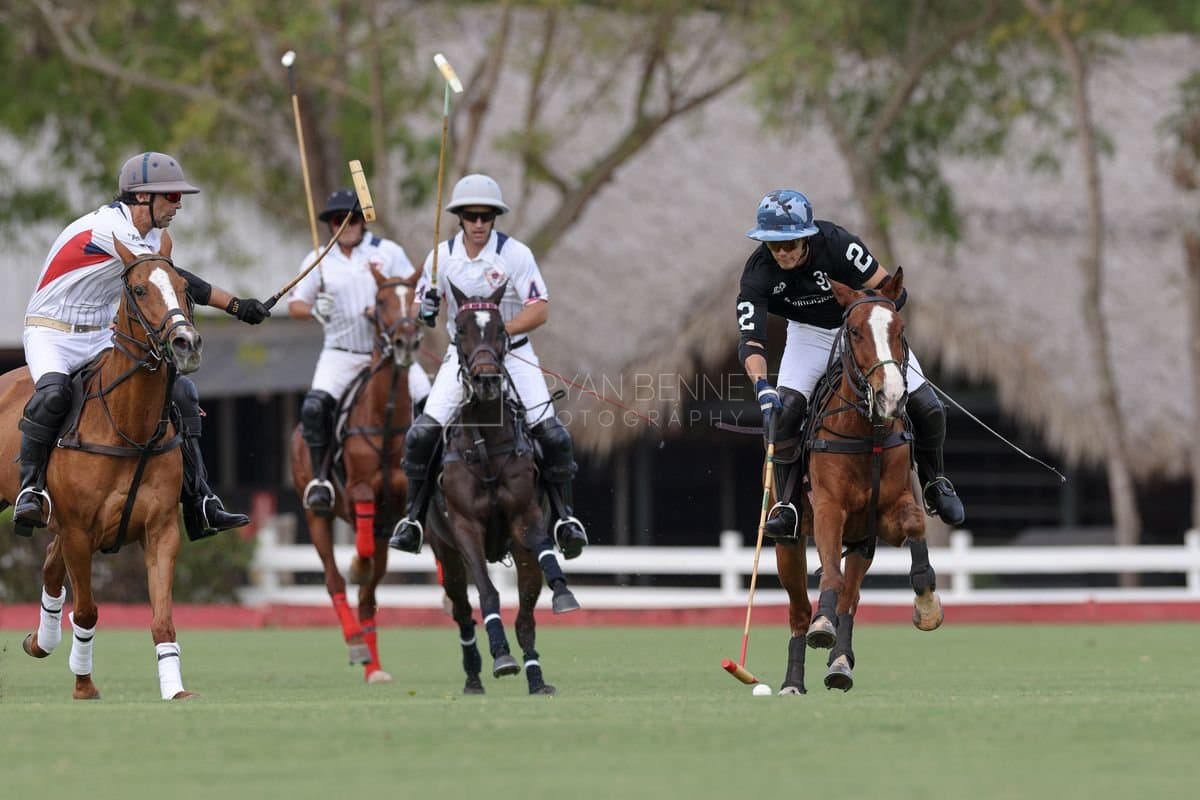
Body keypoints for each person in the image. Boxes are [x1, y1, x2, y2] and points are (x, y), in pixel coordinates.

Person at [14, 151, 270, 539]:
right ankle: (30, 489)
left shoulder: (151, 235)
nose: (179, 204)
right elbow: (177, 277)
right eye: (171, 196)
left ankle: (200, 497)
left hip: (102, 332)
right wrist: (236, 304)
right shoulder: (107, 229)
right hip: (52, 331)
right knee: (53, 396)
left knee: (181, 390)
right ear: (141, 197)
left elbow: (165, 284)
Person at [736, 189, 964, 540]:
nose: (782, 252)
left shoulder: (839, 244)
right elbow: (751, 341)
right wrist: (762, 387)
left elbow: (893, 291)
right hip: (808, 336)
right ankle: (788, 506)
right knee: (785, 413)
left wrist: (862, 314)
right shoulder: (757, 273)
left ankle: (935, 483)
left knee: (927, 406)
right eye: (773, 245)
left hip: (861, 329)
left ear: (807, 236)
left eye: (790, 244)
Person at [387, 173, 588, 559]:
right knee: (421, 435)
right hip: (459, 360)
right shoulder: (440, 258)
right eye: (471, 216)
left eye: (486, 216)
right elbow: (419, 308)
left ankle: (564, 519)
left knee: (554, 436)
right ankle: (413, 519)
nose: (479, 223)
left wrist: (496, 333)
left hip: (514, 353)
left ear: (495, 217)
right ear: (459, 217)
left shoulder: (516, 255)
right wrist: (424, 310)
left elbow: (540, 309)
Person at [287, 188, 431, 512]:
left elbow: (415, 289)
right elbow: (295, 303)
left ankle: (432, 473)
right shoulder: (319, 259)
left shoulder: (388, 251)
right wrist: (314, 310)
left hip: (389, 355)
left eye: (352, 219)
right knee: (313, 409)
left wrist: (406, 314)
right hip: (341, 354)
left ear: (363, 222)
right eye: (339, 220)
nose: (346, 225)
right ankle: (322, 478)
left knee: (429, 400)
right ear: (330, 224)